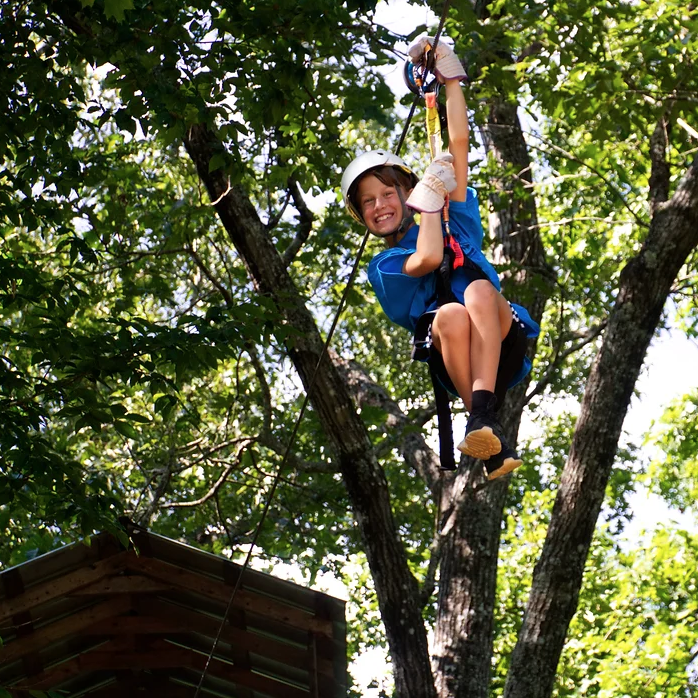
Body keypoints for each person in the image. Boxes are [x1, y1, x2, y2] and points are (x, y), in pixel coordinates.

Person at [340, 36, 540, 480]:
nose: (380, 206)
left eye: (388, 193)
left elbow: (459, 144)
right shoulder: (386, 268)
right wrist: (427, 202)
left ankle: (483, 417)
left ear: (405, 191)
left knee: (480, 289)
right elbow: (428, 257)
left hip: (501, 340)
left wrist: (450, 81)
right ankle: (483, 421)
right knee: (448, 313)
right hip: (457, 361)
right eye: (368, 202)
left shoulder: (455, 220)